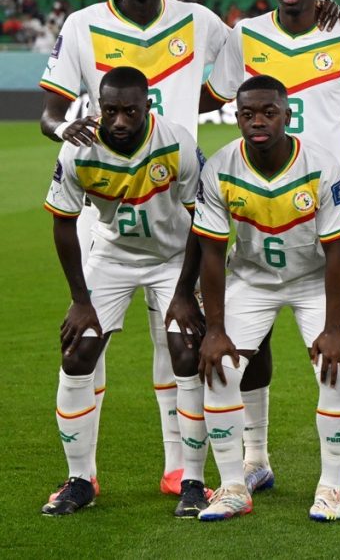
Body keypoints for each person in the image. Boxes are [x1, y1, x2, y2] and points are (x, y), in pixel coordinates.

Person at [38, 0, 340, 503]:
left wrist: (318, 9)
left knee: (176, 344)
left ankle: (183, 470)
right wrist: (65, 131)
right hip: (105, 206)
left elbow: (258, 52)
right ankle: (82, 474)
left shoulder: (201, 22)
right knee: (85, 347)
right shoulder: (81, 24)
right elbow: (52, 110)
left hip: (179, 199)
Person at [200, 0, 340, 496]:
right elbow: (214, 95)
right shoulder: (245, 36)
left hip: (329, 205)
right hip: (258, 205)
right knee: (248, 348)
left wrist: (338, 105)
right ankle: (254, 459)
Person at [41, 67, 206, 516]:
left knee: (187, 354)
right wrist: (80, 300)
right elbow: (62, 223)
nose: (118, 121)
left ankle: (192, 480)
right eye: (109, 110)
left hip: (172, 259)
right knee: (77, 354)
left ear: (147, 106)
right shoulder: (79, 151)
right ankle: (80, 479)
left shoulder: (177, 142)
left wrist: (186, 292)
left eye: (128, 110)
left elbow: (204, 223)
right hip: (111, 258)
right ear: (98, 106)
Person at [192, 75, 340, 522]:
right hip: (251, 279)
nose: (257, 121)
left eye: (268, 112)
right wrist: (216, 328)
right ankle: (232, 488)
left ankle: (330, 487)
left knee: (335, 369)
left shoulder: (321, 165)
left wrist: (335, 327)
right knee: (220, 369)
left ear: (287, 114)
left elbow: (338, 251)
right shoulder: (220, 167)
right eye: (247, 114)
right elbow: (211, 250)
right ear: (237, 116)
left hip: (313, 280)